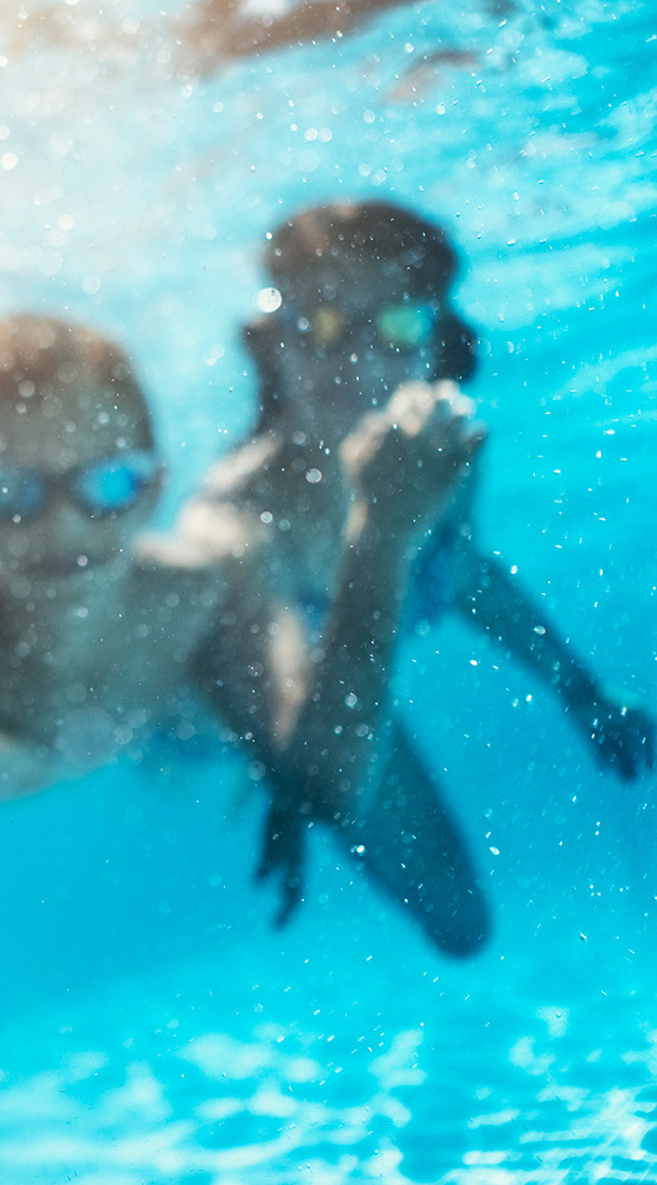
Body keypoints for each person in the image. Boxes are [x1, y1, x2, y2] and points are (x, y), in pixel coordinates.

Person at [0, 310, 484, 1165]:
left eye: (105, 486)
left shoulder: (204, 593)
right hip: (58, 746)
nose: (62, 530)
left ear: (153, 485)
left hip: (199, 724)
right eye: (10, 493)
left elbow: (328, 782)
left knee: (462, 923)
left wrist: (382, 537)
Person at [183, 198, 654, 924]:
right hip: (211, 723)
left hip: (340, 699)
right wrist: (288, 781)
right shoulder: (239, 514)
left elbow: (464, 575)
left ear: (441, 349)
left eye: (400, 323)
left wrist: (582, 696)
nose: (359, 357)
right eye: (322, 322)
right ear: (274, 342)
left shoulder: (443, 459)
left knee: (462, 923)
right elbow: (257, 698)